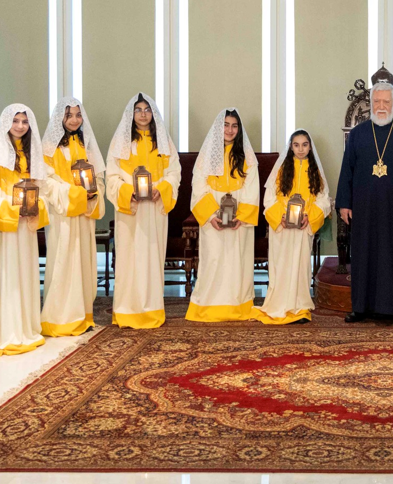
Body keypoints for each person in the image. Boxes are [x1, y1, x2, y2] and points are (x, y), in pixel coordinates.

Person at [336, 81, 393, 323]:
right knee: (364, 253)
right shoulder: (357, 134)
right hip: (364, 206)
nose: (381, 106)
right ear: (370, 103)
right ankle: (361, 307)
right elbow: (347, 170)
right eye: (377, 101)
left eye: (386, 101)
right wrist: (344, 203)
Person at [106, 93, 180, 329]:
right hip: (131, 210)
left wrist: (162, 189)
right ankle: (127, 311)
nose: (143, 114)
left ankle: (151, 310)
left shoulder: (164, 143)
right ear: (131, 114)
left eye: (147, 109)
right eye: (138, 109)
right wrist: (129, 192)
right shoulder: (120, 142)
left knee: (151, 257)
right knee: (129, 259)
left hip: (154, 211)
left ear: (153, 114)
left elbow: (174, 173)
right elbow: (112, 177)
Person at [0, 105, 49, 356]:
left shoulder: (32, 152)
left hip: (26, 224)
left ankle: (26, 327)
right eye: (15, 121)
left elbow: (41, 186)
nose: (20, 126)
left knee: (25, 273)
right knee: (5, 274)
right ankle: (5, 331)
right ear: (5, 122)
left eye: (24, 121)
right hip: (5, 224)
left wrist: (34, 205)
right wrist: (13, 207)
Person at [40, 98, 105, 337]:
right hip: (63, 215)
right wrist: (75, 195)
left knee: (84, 261)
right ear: (60, 118)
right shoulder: (48, 146)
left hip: (84, 213)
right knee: (64, 261)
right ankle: (60, 318)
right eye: (69, 116)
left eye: (78, 115)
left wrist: (93, 193)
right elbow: (46, 181)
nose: (75, 119)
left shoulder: (86, 143)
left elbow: (98, 176)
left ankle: (83, 315)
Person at [188, 108, 260, 322]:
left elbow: (252, 185)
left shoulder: (246, 155)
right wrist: (211, 214)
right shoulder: (206, 156)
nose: (230, 130)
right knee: (214, 260)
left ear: (239, 129)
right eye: (226, 125)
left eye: (234, 125)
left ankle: (238, 306)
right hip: (214, 218)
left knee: (237, 261)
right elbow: (198, 184)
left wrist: (243, 215)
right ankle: (209, 307)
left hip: (239, 219)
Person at [254, 129, 330, 325]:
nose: (301, 149)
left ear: (310, 146)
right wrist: (281, 216)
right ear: (290, 146)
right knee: (282, 264)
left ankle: (300, 307)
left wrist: (309, 217)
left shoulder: (315, 171)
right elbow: (269, 197)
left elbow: (323, 200)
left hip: (303, 227)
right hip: (282, 226)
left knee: (301, 265)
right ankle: (280, 305)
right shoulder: (281, 169)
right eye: (296, 145)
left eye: (304, 145)